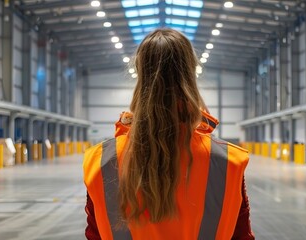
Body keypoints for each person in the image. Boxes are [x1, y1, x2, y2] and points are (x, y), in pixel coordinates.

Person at [83, 29, 254, 240]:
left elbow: (94, 235)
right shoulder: (228, 162)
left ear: (140, 73)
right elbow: (242, 236)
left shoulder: (100, 161)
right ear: (190, 73)